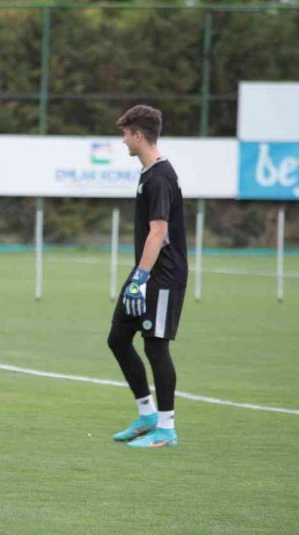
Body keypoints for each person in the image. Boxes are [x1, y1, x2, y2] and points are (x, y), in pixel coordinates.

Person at [109, 105, 187, 449]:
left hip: (163, 275)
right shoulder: (148, 173)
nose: (123, 140)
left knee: (156, 348)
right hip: (146, 272)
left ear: (138, 135)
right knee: (118, 338)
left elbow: (159, 232)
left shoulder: (159, 177)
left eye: (126, 134)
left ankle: (166, 429)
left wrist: (140, 277)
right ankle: (147, 414)